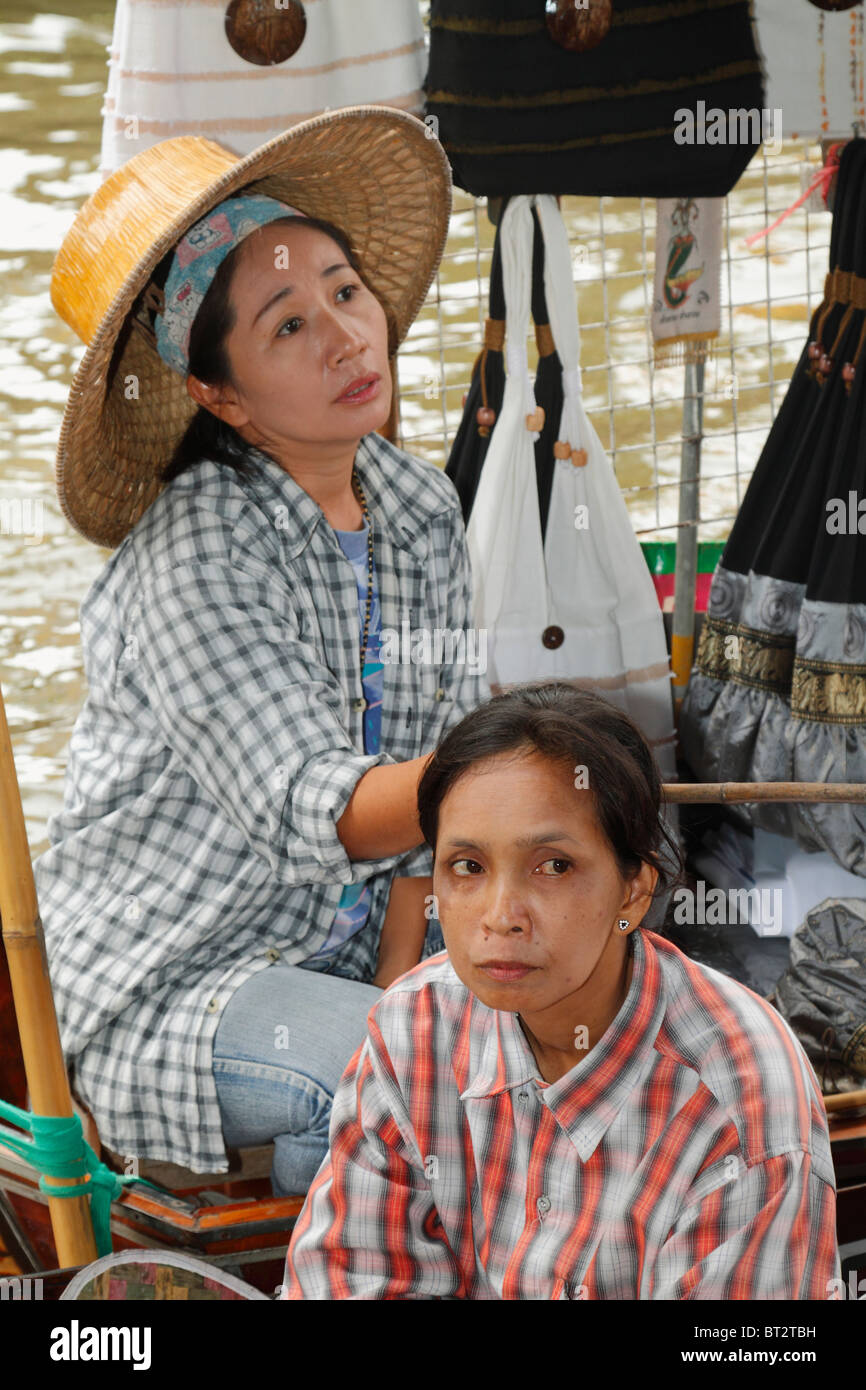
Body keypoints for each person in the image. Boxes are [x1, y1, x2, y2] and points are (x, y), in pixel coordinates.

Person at [35, 107, 489, 1195]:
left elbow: (420, 847)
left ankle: (305, 1233)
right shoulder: (194, 548)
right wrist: (511, 765)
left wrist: (399, 993)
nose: (345, 333)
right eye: (287, 325)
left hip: (330, 962)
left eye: (343, 290)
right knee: (403, 1074)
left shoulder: (419, 505)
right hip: (168, 985)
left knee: (479, 1048)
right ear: (218, 394)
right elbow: (313, 807)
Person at [283, 682, 841, 1299]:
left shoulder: (741, 1108)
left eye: (553, 866)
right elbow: (345, 1281)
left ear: (633, 889)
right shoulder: (412, 1032)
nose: (501, 916)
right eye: (467, 866)